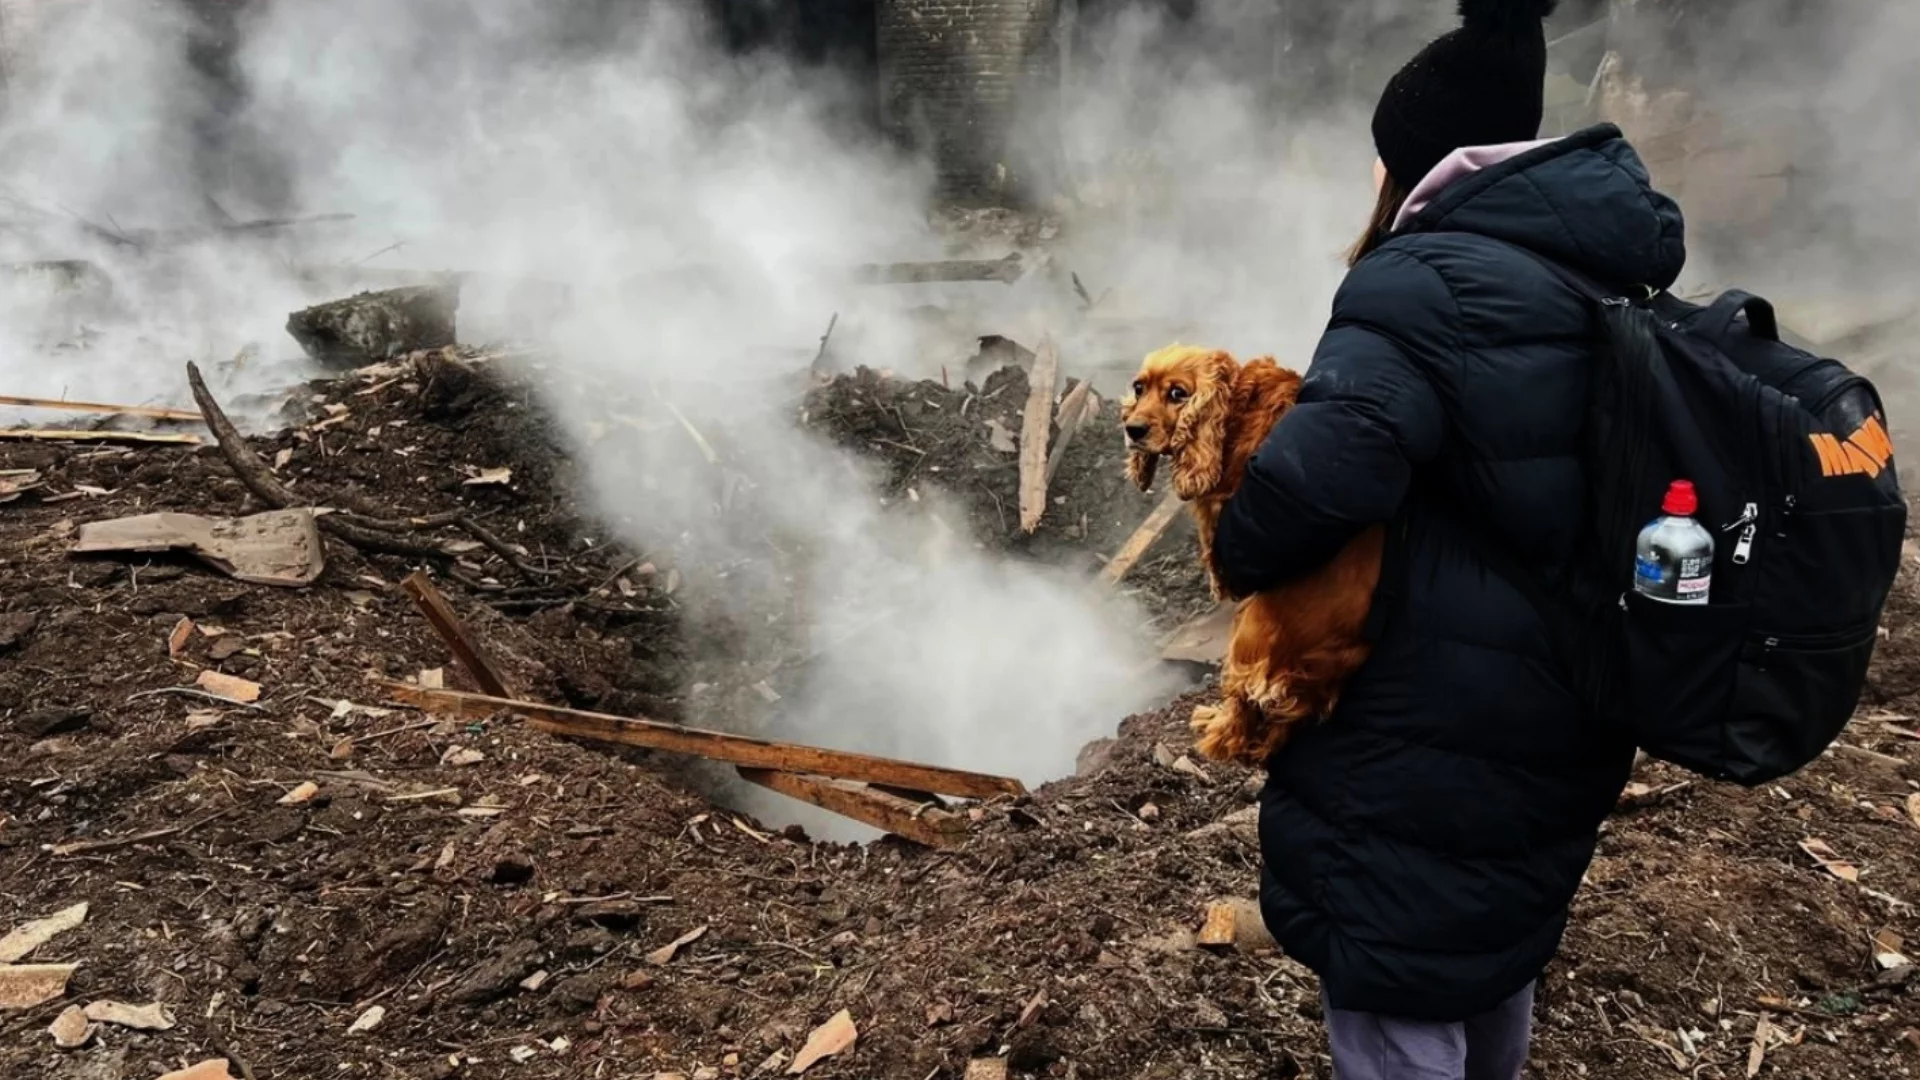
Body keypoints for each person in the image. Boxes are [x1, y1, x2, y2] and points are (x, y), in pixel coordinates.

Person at [1207, 1, 1676, 1077]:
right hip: (1570, 696)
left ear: (1415, 160)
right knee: (1485, 941)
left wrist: (1241, 515)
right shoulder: (1606, 266)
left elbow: (1313, 491)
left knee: (1393, 985)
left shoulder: (1418, 282)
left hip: (1428, 718)